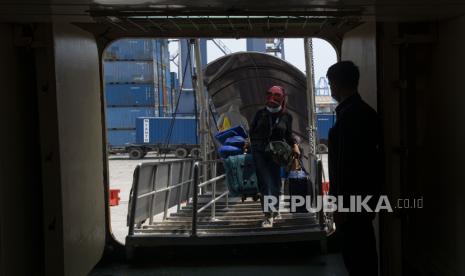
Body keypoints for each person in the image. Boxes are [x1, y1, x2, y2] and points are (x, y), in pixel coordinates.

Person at [326, 61, 380, 275]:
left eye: (331, 83)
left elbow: (346, 166)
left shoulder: (349, 117)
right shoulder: (365, 112)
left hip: (352, 203)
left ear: (338, 84)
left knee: (356, 255)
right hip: (364, 199)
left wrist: (340, 205)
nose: (331, 88)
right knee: (364, 250)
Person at [248, 85, 300, 228]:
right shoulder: (260, 113)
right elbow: (252, 131)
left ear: (282, 98)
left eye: (276, 96)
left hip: (277, 153)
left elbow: (288, 135)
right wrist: (251, 144)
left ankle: (275, 209)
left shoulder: (286, 116)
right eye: (270, 95)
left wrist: (294, 145)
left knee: (276, 182)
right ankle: (268, 214)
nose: (272, 99)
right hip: (260, 151)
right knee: (265, 182)